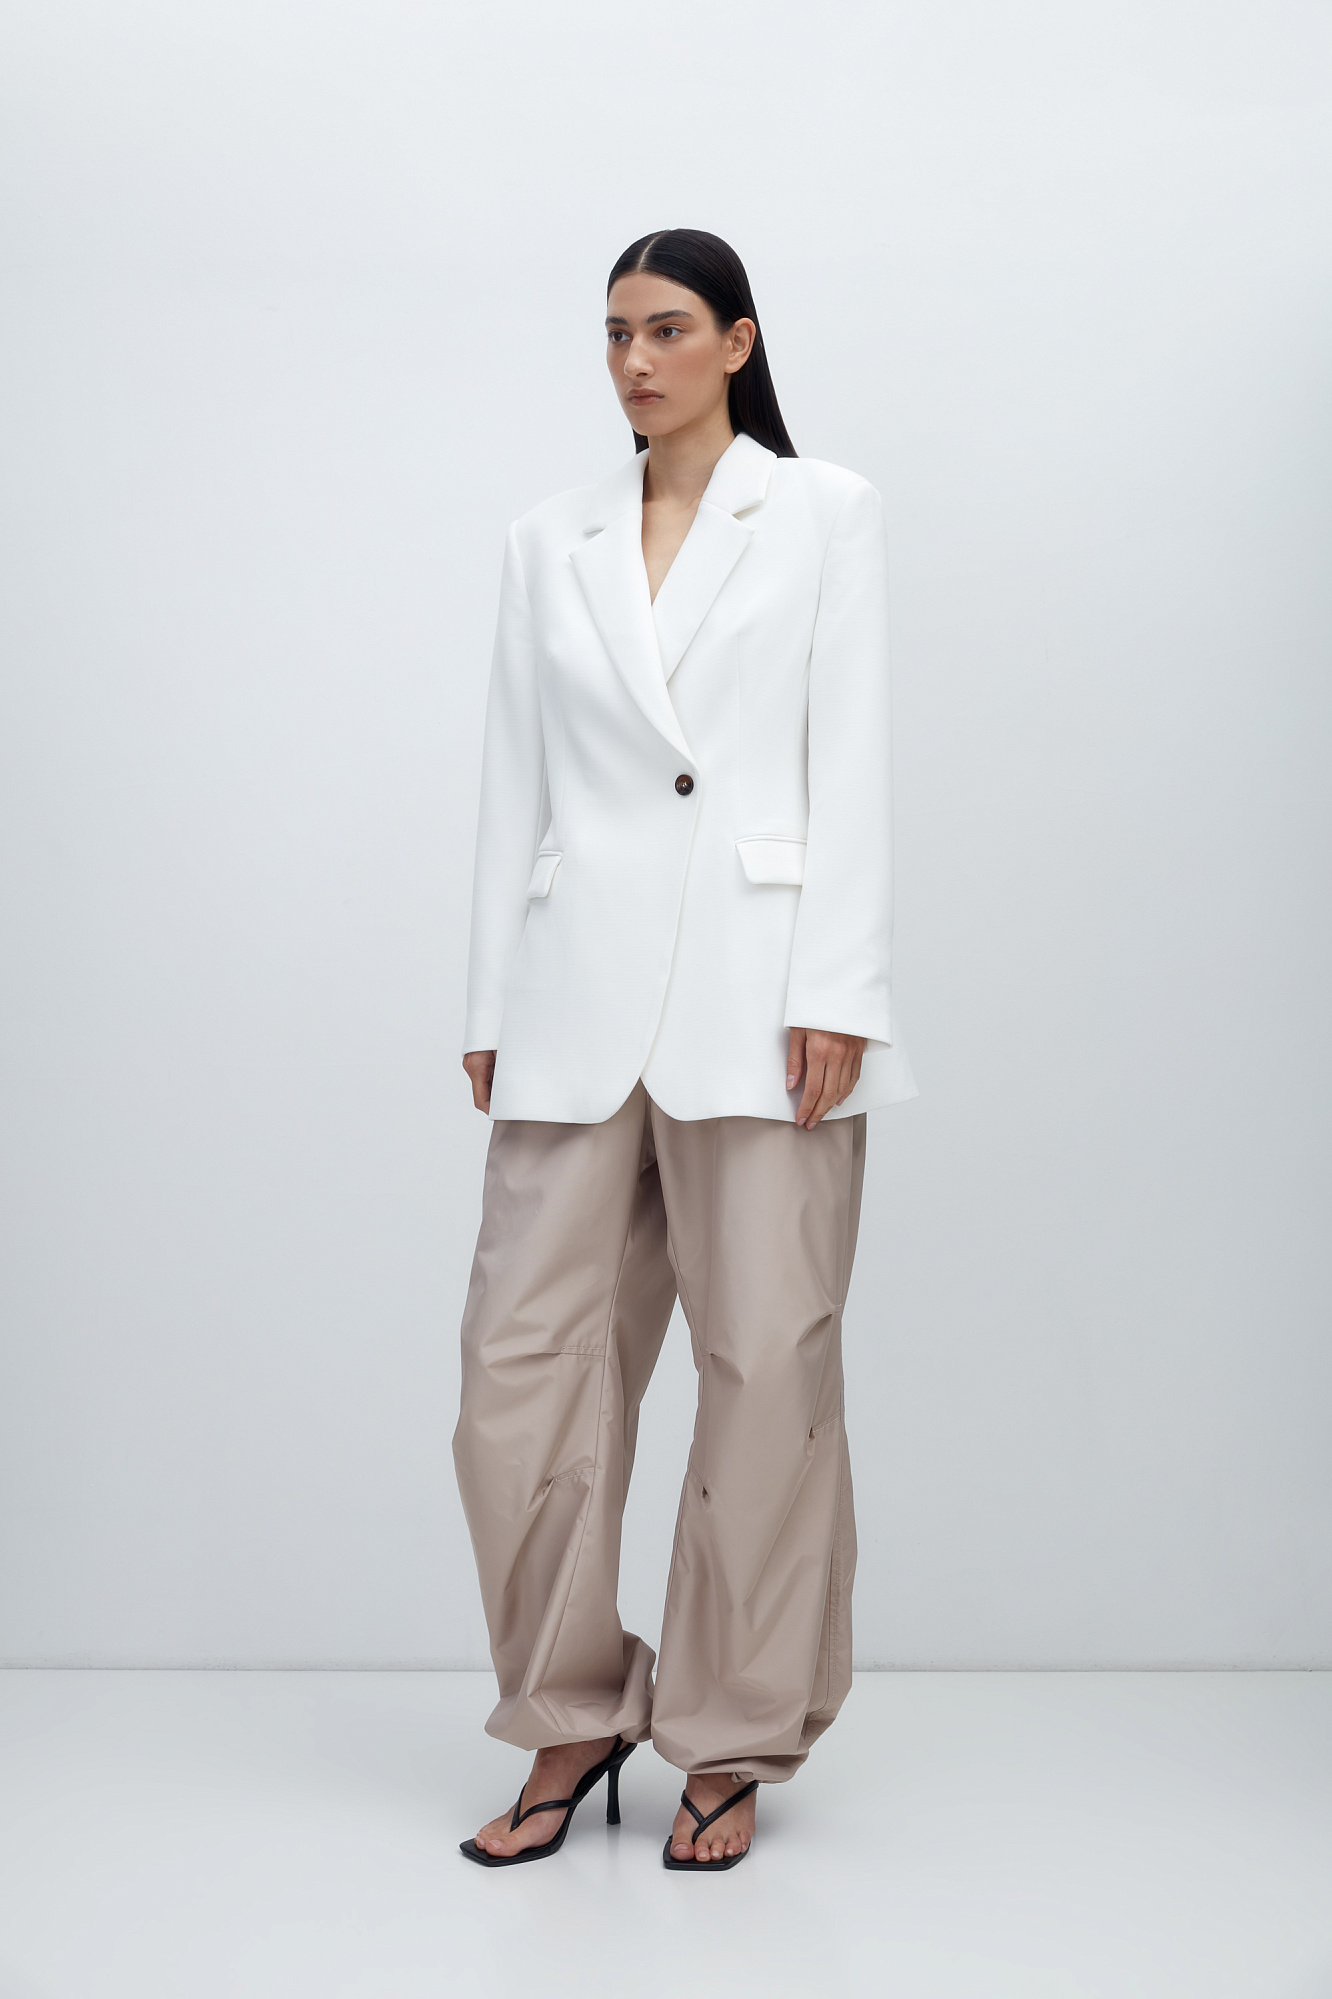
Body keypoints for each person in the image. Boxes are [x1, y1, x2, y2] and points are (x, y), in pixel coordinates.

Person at [453, 227, 915, 1872]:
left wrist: (840, 984)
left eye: (664, 330)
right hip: (574, 996)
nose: (634, 361)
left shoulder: (825, 512)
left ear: (737, 341)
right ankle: (571, 1712)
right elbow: (517, 774)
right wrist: (489, 1005)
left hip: (763, 990)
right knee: (516, 1380)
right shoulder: (549, 537)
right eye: (613, 335)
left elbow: (849, 750)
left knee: (767, 1371)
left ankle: (731, 1730)